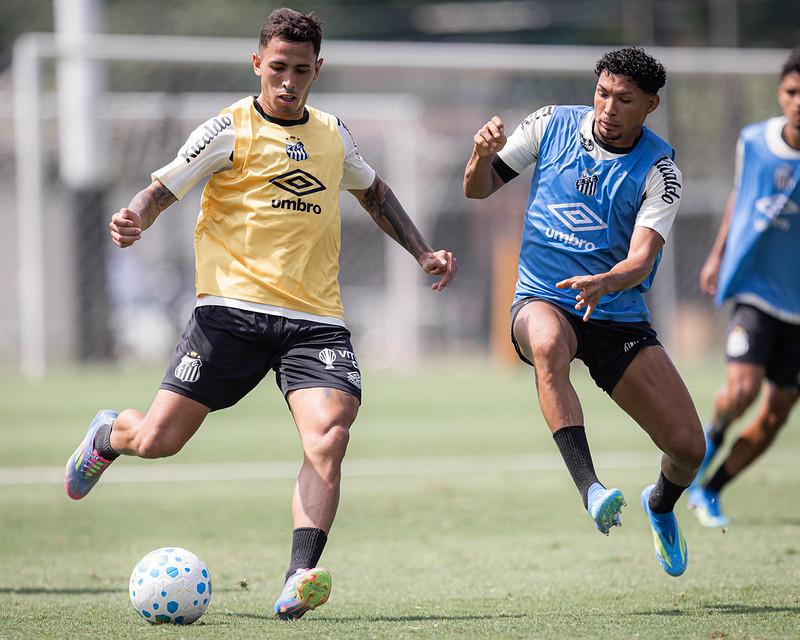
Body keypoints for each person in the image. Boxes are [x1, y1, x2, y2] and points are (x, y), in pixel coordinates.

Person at [65, 8, 457, 620]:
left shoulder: (333, 133)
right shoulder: (229, 128)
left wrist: (423, 251)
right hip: (229, 316)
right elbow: (165, 185)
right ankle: (110, 434)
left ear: (317, 70)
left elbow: (375, 193)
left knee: (330, 432)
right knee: (158, 440)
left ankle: (300, 574)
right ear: (257, 64)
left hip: (314, 321)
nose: (288, 80)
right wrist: (136, 216)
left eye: (302, 70)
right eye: (278, 67)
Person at [463, 47, 704, 577]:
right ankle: (591, 488)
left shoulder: (661, 170)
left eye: (624, 100)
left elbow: (641, 259)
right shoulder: (550, 124)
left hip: (616, 313)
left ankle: (660, 505)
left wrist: (606, 281)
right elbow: (477, 189)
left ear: (650, 105)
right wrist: (481, 154)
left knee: (689, 448)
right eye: (602, 93)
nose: (608, 108)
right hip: (542, 299)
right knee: (548, 345)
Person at [688, 49, 800, 528]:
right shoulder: (754, 141)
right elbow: (741, 196)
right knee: (741, 391)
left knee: (775, 415)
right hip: (755, 289)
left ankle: (711, 490)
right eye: (793, 93)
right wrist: (717, 255)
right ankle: (698, 453)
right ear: (780, 94)